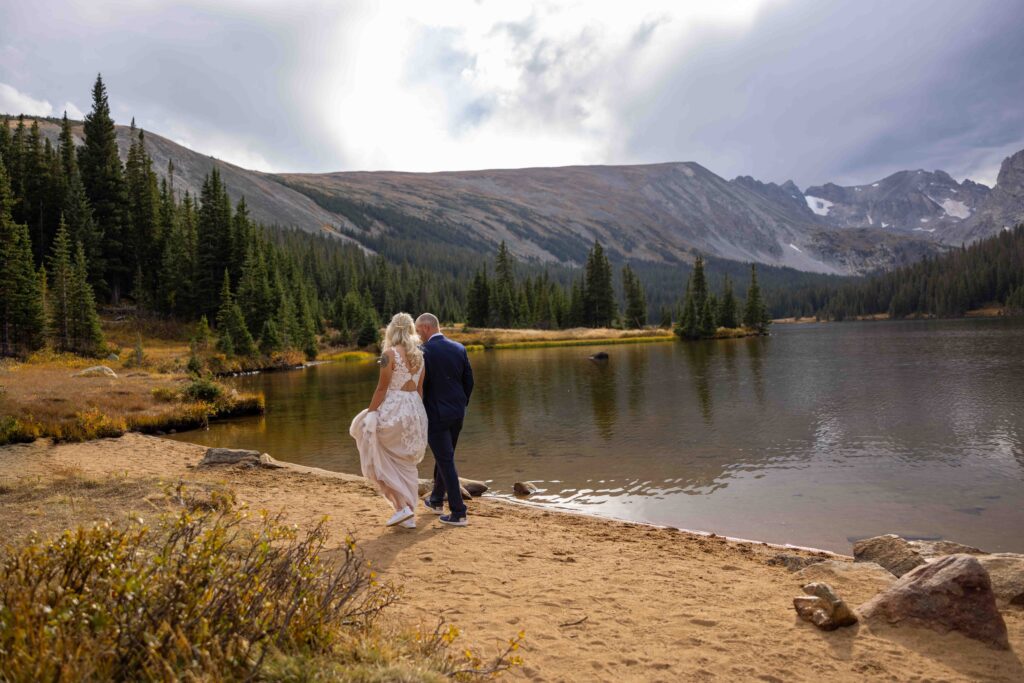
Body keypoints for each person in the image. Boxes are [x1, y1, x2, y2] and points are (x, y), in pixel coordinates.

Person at [349, 313, 428, 529]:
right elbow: (420, 389)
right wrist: (417, 417)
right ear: (411, 329)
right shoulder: (420, 355)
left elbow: (382, 388)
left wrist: (372, 413)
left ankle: (402, 507)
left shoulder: (388, 354)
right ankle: (408, 514)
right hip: (415, 409)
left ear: (392, 330)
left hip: (395, 408)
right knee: (405, 462)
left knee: (375, 450)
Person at [415, 312, 474, 527]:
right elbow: (469, 381)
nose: (417, 335)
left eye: (418, 330)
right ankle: (437, 500)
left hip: (436, 414)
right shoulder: (459, 348)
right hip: (457, 412)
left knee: (446, 459)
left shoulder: (423, 351)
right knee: (445, 456)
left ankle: (459, 512)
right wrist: (461, 403)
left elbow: (421, 386)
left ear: (426, 328)